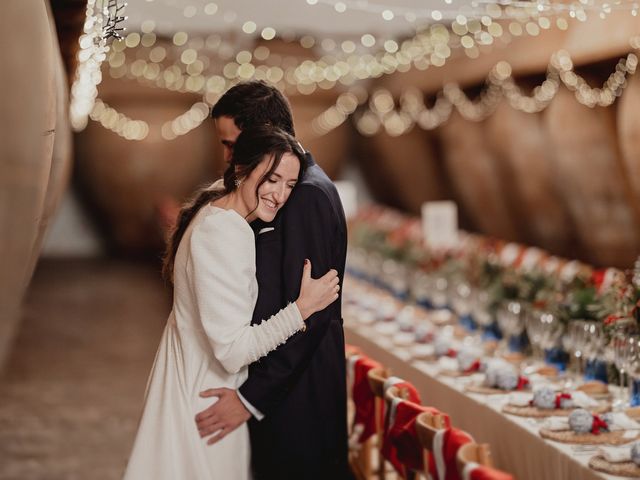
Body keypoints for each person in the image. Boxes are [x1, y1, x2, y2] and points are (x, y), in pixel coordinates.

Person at [123, 127, 340, 480]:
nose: (280, 194)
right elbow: (232, 350)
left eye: (289, 184)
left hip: (199, 389)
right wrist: (300, 309)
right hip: (209, 403)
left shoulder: (217, 212)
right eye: (271, 179)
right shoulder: (224, 232)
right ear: (241, 170)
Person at [195, 80, 351, 479]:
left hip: (299, 397)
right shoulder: (286, 190)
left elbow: (311, 315)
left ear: (262, 135)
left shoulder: (306, 195)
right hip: (283, 389)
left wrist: (249, 400)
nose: (228, 157)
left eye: (232, 144)